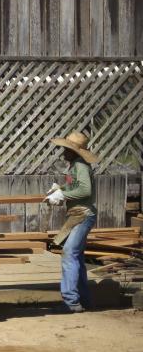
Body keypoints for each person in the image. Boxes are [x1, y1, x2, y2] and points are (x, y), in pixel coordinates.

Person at [44, 131, 98, 313]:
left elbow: (85, 190)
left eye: (66, 149)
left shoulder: (81, 166)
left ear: (75, 151)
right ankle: (84, 300)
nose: (63, 152)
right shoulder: (76, 165)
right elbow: (76, 186)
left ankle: (71, 302)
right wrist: (61, 188)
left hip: (83, 215)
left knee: (69, 254)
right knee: (77, 258)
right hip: (78, 214)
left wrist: (62, 194)